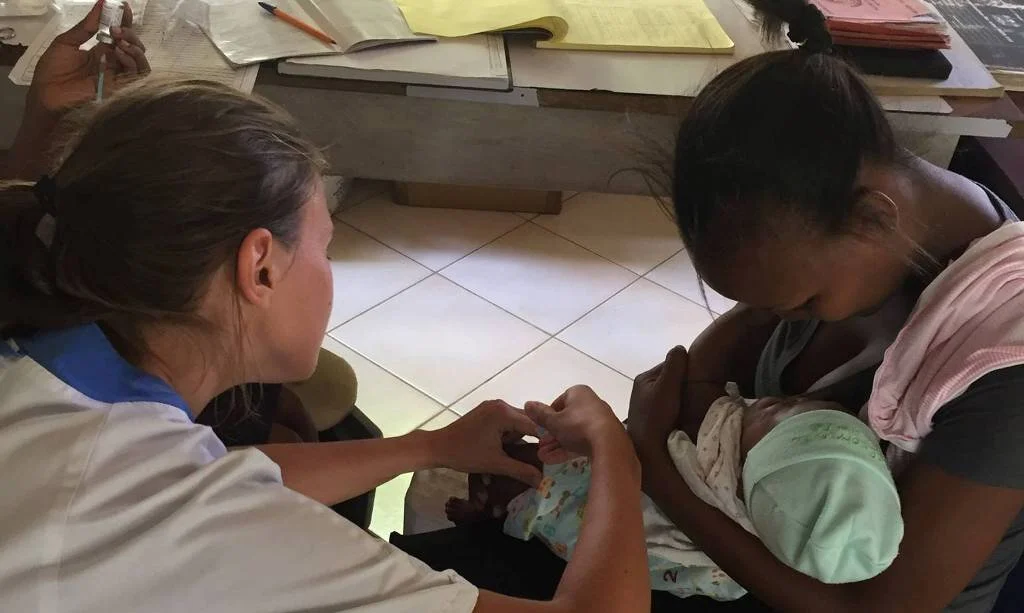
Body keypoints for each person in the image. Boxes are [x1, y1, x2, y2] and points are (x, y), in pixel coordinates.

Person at [0, 4, 651, 611]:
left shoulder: (49, 332)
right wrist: (616, 449)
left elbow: (224, 476)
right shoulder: (175, 511)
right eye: (324, 246)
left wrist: (433, 445)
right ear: (260, 267)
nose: (329, 269)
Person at [393, 1, 1024, 611]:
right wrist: (634, 445)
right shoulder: (872, 239)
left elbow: (874, 606)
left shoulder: (1001, 365)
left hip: (820, 594)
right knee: (449, 520)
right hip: (738, 524)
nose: (778, 319)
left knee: (438, 579)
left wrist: (648, 465)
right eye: (761, 304)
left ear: (872, 219)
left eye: (800, 304)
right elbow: (721, 357)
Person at [446, 388, 903, 602]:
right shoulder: (771, 532)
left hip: (587, 508)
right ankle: (489, 509)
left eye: (778, 410)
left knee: (524, 476)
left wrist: (608, 432)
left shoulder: (711, 461)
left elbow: (644, 440)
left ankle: (487, 509)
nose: (786, 399)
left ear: (747, 464)